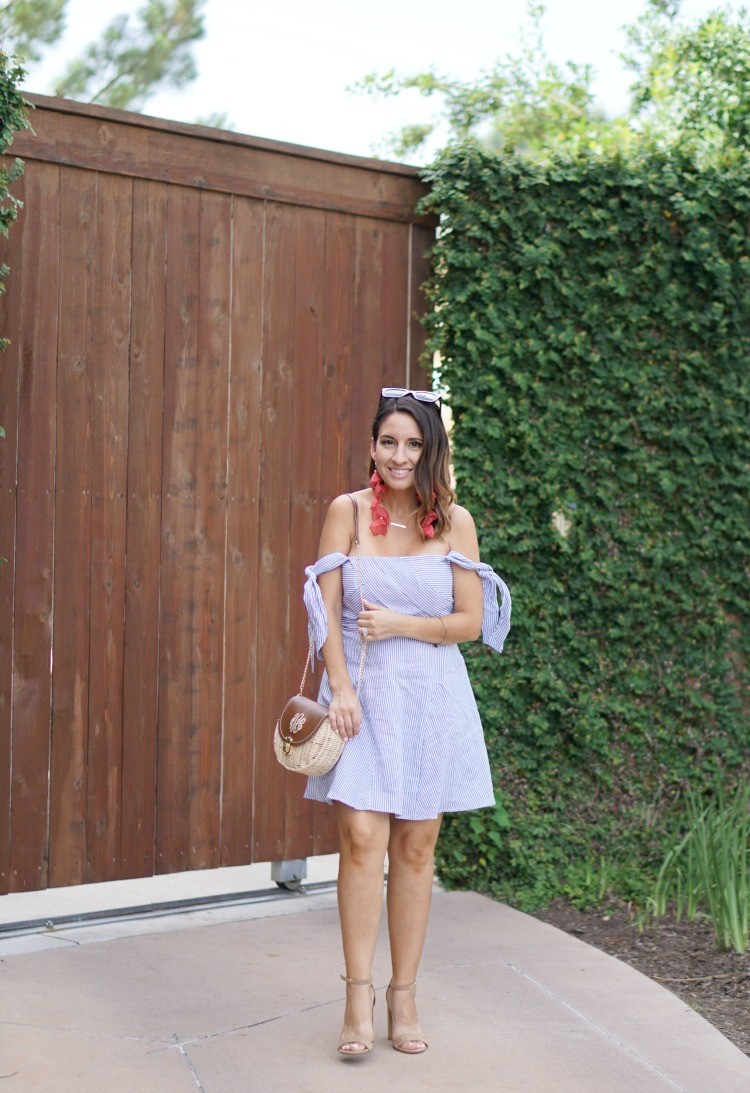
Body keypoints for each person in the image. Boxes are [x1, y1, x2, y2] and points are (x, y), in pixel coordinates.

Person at [302, 387, 511, 1058]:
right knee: (362, 837)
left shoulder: (455, 521)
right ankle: (356, 999)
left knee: (417, 845)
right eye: (388, 441)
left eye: (413, 444)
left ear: (431, 451)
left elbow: (471, 623)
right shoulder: (347, 513)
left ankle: (405, 996)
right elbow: (325, 611)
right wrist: (339, 686)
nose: (399, 455)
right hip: (360, 695)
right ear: (371, 446)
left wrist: (400, 624)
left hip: (432, 696)